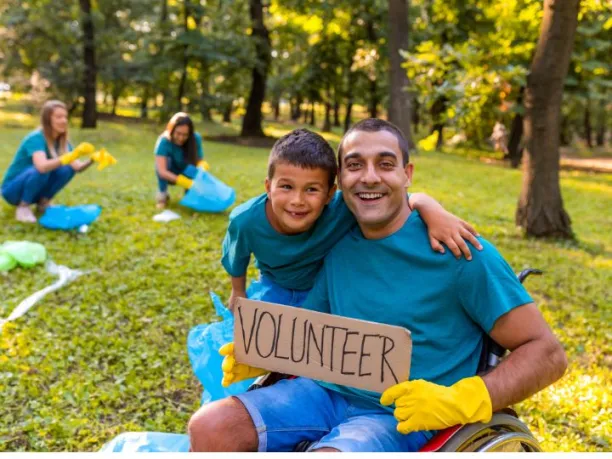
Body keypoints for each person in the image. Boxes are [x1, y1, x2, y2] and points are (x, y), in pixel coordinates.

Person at [188, 119, 567, 452]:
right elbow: (310, 325)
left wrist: (463, 399)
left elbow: (548, 353)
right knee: (209, 426)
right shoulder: (337, 243)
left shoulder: (459, 251)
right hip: (323, 391)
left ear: (407, 173)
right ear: (340, 182)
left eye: (385, 164)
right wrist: (264, 351)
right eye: (355, 165)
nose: (369, 176)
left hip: (400, 415)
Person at [221, 128, 481, 312]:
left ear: (329, 193)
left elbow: (397, 198)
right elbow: (237, 257)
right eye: (286, 187)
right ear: (268, 187)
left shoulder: (344, 207)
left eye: (311, 189)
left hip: (327, 293)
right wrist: (238, 291)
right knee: (259, 354)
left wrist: (430, 207)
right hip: (275, 287)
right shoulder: (245, 221)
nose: (297, 201)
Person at [1, 100, 95, 223]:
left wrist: (93, 159)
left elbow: (77, 167)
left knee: (67, 168)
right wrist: (68, 157)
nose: (64, 121)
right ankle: (23, 207)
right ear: (47, 120)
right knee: (44, 168)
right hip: (12, 190)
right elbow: (41, 167)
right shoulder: (35, 138)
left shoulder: (62, 143)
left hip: (35, 187)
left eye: (65, 117)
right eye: (58, 117)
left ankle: (43, 203)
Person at [155, 112, 209, 209]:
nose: (181, 138)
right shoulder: (164, 141)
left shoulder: (195, 138)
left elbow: (199, 160)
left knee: (194, 169)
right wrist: (182, 181)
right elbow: (162, 171)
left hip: (187, 169)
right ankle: (162, 196)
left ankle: (190, 195)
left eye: (185, 135)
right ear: (171, 130)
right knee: (165, 163)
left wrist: (202, 166)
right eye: (178, 133)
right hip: (170, 171)